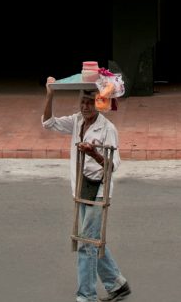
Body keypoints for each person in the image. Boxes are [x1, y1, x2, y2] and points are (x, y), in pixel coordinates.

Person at [44, 77, 133, 302]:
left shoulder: (107, 129)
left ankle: (86, 296)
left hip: (99, 190)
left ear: (99, 103)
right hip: (81, 187)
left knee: (86, 243)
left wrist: (94, 154)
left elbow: (112, 166)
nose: (85, 106)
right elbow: (48, 123)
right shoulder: (76, 122)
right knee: (91, 240)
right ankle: (117, 283)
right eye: (83, 102)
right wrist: (50, 94)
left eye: (90, 102)